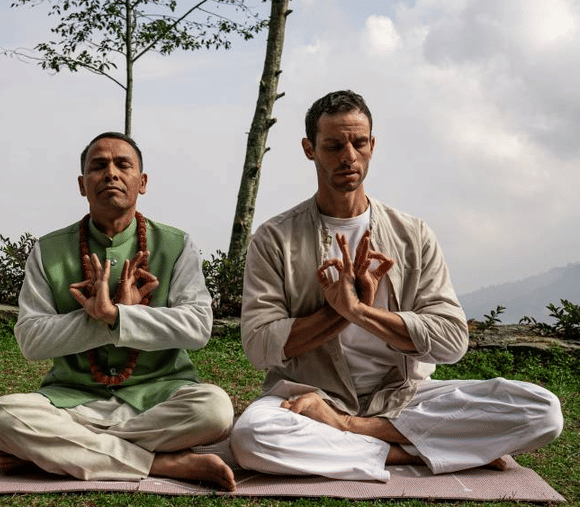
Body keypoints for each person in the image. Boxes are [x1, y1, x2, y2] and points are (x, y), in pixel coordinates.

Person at [230, 90, 563, 482]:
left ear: (373, 145)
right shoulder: (275, 238)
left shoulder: (412, 234)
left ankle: (356, 433)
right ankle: (411, 452)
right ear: (310, 149)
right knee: (252, 436)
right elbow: (258, 345)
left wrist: (361, 313)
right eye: (334, 146)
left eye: (358, 143)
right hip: (311, 395)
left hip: (406, 397)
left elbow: (453, 341)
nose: (348, 157)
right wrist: (335, 313)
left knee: (541, 410)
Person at [0, 132, 236, 491]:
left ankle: (70, 450)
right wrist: (100, 318)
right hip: (72, 400)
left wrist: (118, 317)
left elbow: (197, 328)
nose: (111, 174)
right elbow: (31, 340)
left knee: (215, 410)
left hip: (160, 396)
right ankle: (162, 463)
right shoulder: (49, 250)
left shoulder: (177, 244)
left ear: (142, 182)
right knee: (4, 417)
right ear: (82, 185)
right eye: (98, 166)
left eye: (123, 165)